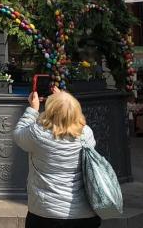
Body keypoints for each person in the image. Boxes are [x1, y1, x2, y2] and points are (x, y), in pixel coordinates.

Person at [13, 87, 100, 228]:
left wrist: (33, 109)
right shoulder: (86, 133)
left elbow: (18, 135)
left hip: (46, 213)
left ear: (50, 110)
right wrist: (64, 101)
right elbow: (71, 117)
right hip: (82, 213)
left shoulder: (38, 133)